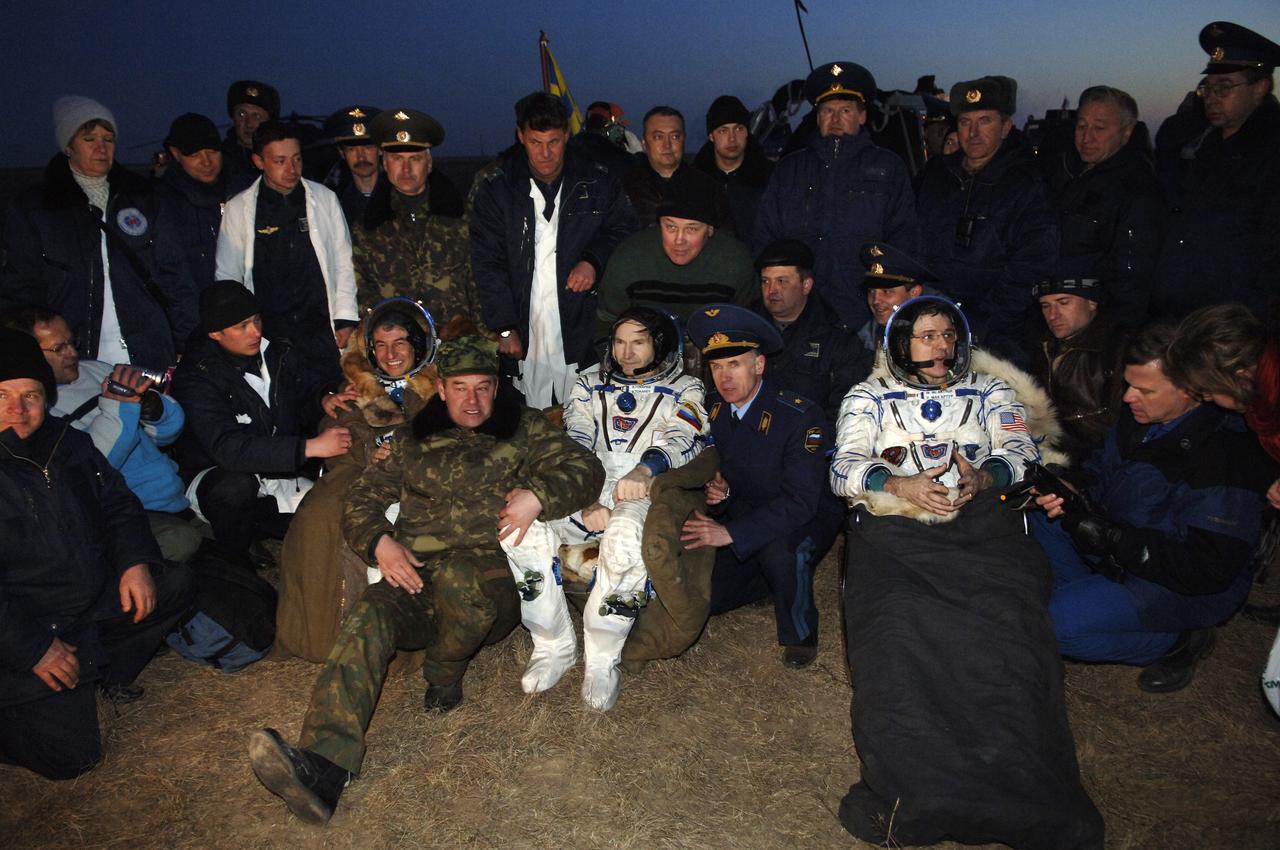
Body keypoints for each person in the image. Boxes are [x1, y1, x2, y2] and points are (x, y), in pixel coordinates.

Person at [247, 336, 603, 824]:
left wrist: (537, 495)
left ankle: (443, 672)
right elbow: (364, 497)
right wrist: (380, 543)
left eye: (483, 387)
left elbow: (585, 468)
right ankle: (325, 767)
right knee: (372, 612)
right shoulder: (412, 437)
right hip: (419, 575)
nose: (473, 400)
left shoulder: (523, 428)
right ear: (440, 388)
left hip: (490, 579)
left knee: (460, 577)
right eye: (460, 388)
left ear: (497, 387)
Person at [829, 296, 1102, 849]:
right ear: (900, 342)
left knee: (1011, 634)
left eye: (948, 334)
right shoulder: (867, 398)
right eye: (926, 336)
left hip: (982, 531)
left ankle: (1028, 793)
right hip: (899, 533)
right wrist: (899, 484)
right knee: (899, 636)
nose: (941, 346)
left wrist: (981, 478)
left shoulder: (991, 392)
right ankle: (919, 790)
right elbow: (844, 467)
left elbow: (1022, 455)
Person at [1033, 321, 1274, 693]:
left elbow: (1208, 568)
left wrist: (1117, 540)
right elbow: (1100, 468)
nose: (1129, 396)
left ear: (1191, 390)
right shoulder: (1141, 418)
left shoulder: (1225, 455)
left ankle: (1177, 640)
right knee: (1043, 517)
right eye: (1128, 384)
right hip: (1123, 547)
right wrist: (1072, 486)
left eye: (1144, 389)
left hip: (1176, 581)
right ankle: (1094, 602)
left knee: (1049, 626)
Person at [0, 328, 194, 780]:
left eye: (31, 395)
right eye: (2, 395)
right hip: (24, 627)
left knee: (174, 582)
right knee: (73, 758)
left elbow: (118, 506)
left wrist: (134, 563)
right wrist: (34, 648)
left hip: (85, 604)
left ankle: (96, 675)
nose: (18, 409)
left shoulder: (65, 443)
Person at [501, 307, 707, 710]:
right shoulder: (589, 382)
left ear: (660, 344)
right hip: (587, 480)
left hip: (645, 484)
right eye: (619, 342)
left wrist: (646, 470)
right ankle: (554, 643)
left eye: (638, 342)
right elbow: (575, 441)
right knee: (517, 529)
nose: (626, 353)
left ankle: (602, 658)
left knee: (625, 539)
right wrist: (585, 497)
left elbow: (684, 436)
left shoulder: (687, 389)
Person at [273, 299, 439, 662]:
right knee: (319, 516)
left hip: (423, 477)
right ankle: (319, 636)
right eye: (380, 345)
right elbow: (337, 429)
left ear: (417, 345)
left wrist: (404, 451)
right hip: (360, 471)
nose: (390, 355)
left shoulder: (439, 387)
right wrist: (361, 441)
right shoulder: (357, 387)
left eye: (399, 343)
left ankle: (391, 635)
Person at [682, 304, 841, 669]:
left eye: (734, 364)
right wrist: (721, 494)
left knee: (781, 553)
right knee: (710, 599)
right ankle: (764, 581)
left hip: (805, 514)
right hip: (748, 508)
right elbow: (732, 472)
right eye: (716, 367)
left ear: (759, 365)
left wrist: (731, 533)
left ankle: (800, 632)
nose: (724, 377)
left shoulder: (798, 415)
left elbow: (800, 502)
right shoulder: (714, 409)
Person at [471, 91, 637, 408]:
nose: (545, 153)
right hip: (525, 330)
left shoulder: (598, 182)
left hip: (584, 331)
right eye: (536, 142)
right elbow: (487, 262)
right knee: (529, 419)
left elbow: (624, 230)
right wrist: (504, 327)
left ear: (567, 135)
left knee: (587, 416)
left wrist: (593, 261)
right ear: (521, 136)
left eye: (554, 142)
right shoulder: (497, 190)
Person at [1, 305, 202, 564]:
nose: (72, 353)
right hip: (130, 512)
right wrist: (119, 407)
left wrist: (154, 408)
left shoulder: (95, 370)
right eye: (58, 348)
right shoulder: (37, 410)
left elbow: (165, 435)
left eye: (72, 342)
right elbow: (93, 464)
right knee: (181, 541)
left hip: (174, 497)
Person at [170, 281, 350, 561]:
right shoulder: (195, 377)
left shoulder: (276, 349)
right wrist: (309, 448)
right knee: (234, 489)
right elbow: (228, 449)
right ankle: (234, 555)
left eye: (256, 320)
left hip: (277, 472)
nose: (255, 332)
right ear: (215, 333)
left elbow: (301, 391)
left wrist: (322, 399)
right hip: (216, 475)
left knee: (329, 519)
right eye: (242, 326)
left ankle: (259, 526)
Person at [2, 96, 179, 372]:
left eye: (108, 139)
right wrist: (31, 351)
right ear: (68, 146)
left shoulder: (144, 197)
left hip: (148, 350)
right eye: (89, 139)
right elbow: (20, 288)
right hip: (75, 355)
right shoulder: (37, 207)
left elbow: (175, 274)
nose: (101, 148)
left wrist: (185, 340)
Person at [754, 61, 918, 332]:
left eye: (845, 110)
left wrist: (884, 297)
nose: (835, 118)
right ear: (818, 117)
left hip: (863, 312)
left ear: (862, 116)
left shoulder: (888, 167)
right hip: (800, 312)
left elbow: (904, 237)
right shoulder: (790, 168)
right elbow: (766, 236)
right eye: (827, 110)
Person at [915, 75, 1059, 368]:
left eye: (985, 121)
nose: (973, 132)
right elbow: (913, 239)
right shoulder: (937, 175)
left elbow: (1033, 262)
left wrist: (980, 322)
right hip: (934, 320)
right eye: (965, 122)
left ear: (1005, 127)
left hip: (999, 335)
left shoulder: (1028, 182)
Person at [215, 121, 358, 388]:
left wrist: (345, 318)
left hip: (320, 331)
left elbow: (343, 262)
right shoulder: (238, 209)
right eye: (280, 161)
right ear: (259, 161)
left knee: (333, 398)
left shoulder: (324, 198)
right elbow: (227, 277)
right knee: (282, 401)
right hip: (270, 334)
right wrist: (239, 331)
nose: (291, 169)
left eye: (296, 159)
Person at [1153, 22, 1280, 319]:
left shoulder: (1270, 155)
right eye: (1207, 88)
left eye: (1224, 87)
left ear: (1260, 87)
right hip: (1182, 313)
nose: (1211, 97)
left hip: (1231, 322)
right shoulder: (1202, 146)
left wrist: (1247, 326)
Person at [1045, 86, 1166, 325]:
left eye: (1099, 128)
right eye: (1081, 126)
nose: (1086, 138)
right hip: (1061, 316)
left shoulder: (1136, 190)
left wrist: (1111, 334)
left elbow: (1132, 277)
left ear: (1127, 132)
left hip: (1095, 324)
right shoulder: (1072, 175)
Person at [351, 108, 482, 322]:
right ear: (385, 164)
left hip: (456, 336)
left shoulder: (461, 219)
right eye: (397, 158)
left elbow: (480, 281)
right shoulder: (367, 227)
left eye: (415, 159)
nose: (406, 169)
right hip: (397, 337)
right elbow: (361, 289)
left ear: (428, 164)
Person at [595, 180, 755, 337]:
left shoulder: (735, 261)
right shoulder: (629, 258)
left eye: (691, 229)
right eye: (670, 227)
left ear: (710, 229)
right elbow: (606, 325)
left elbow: (749, 328)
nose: (679, 240)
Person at [750, 238, 871, 430]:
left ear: (806, 285)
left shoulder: (835, 336)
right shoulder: (745, 327)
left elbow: (845, 409)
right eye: (766, 281)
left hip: (809, 438)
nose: (772, 290)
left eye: (782, 281)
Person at [1031, 261, 1128, 465]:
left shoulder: (1119, 349)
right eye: (1045, 306)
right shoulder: (1044, 347)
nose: (1053, 315)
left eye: (1064, 302)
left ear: (1092, 302)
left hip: (1098, 463)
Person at [152, 112, 229, 340]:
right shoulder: (163, 203)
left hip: (245, 323)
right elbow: (173, 279)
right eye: (195, 155)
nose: (206, 162)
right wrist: (193, 337)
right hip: (199, 328)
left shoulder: (241, 190)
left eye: (212, 152)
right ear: (176, 154)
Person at [622, 106, 732, 231]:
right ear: (644, 143)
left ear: (684, 140)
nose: (667, 145)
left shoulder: (708, 187)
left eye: (675, 137)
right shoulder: (625, 188)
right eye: (658, 137)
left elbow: (726, 236)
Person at [692, 95, 773, 237]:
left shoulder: (771, 179)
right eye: (723, 131)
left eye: (739, 129)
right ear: (711, 136)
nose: (732, 138)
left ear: (747, 132)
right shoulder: (694, 182)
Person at [854, 241, 934, 353]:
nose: (876, 300)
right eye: (871, 291)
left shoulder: (940, 340)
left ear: (914, 292)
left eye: (886, 292)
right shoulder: (864, 338)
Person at [321, 105, 383, 227]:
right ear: (341, 152)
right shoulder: (332, 203)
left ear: (380, 149)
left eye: (367, 147)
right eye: (352, 149)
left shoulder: (401, 196)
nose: (361, 157)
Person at [222, 80, 279, 196]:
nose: (249, 123)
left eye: (256, 116)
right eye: (242, 114)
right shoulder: (218, 162)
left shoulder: (285, 159)